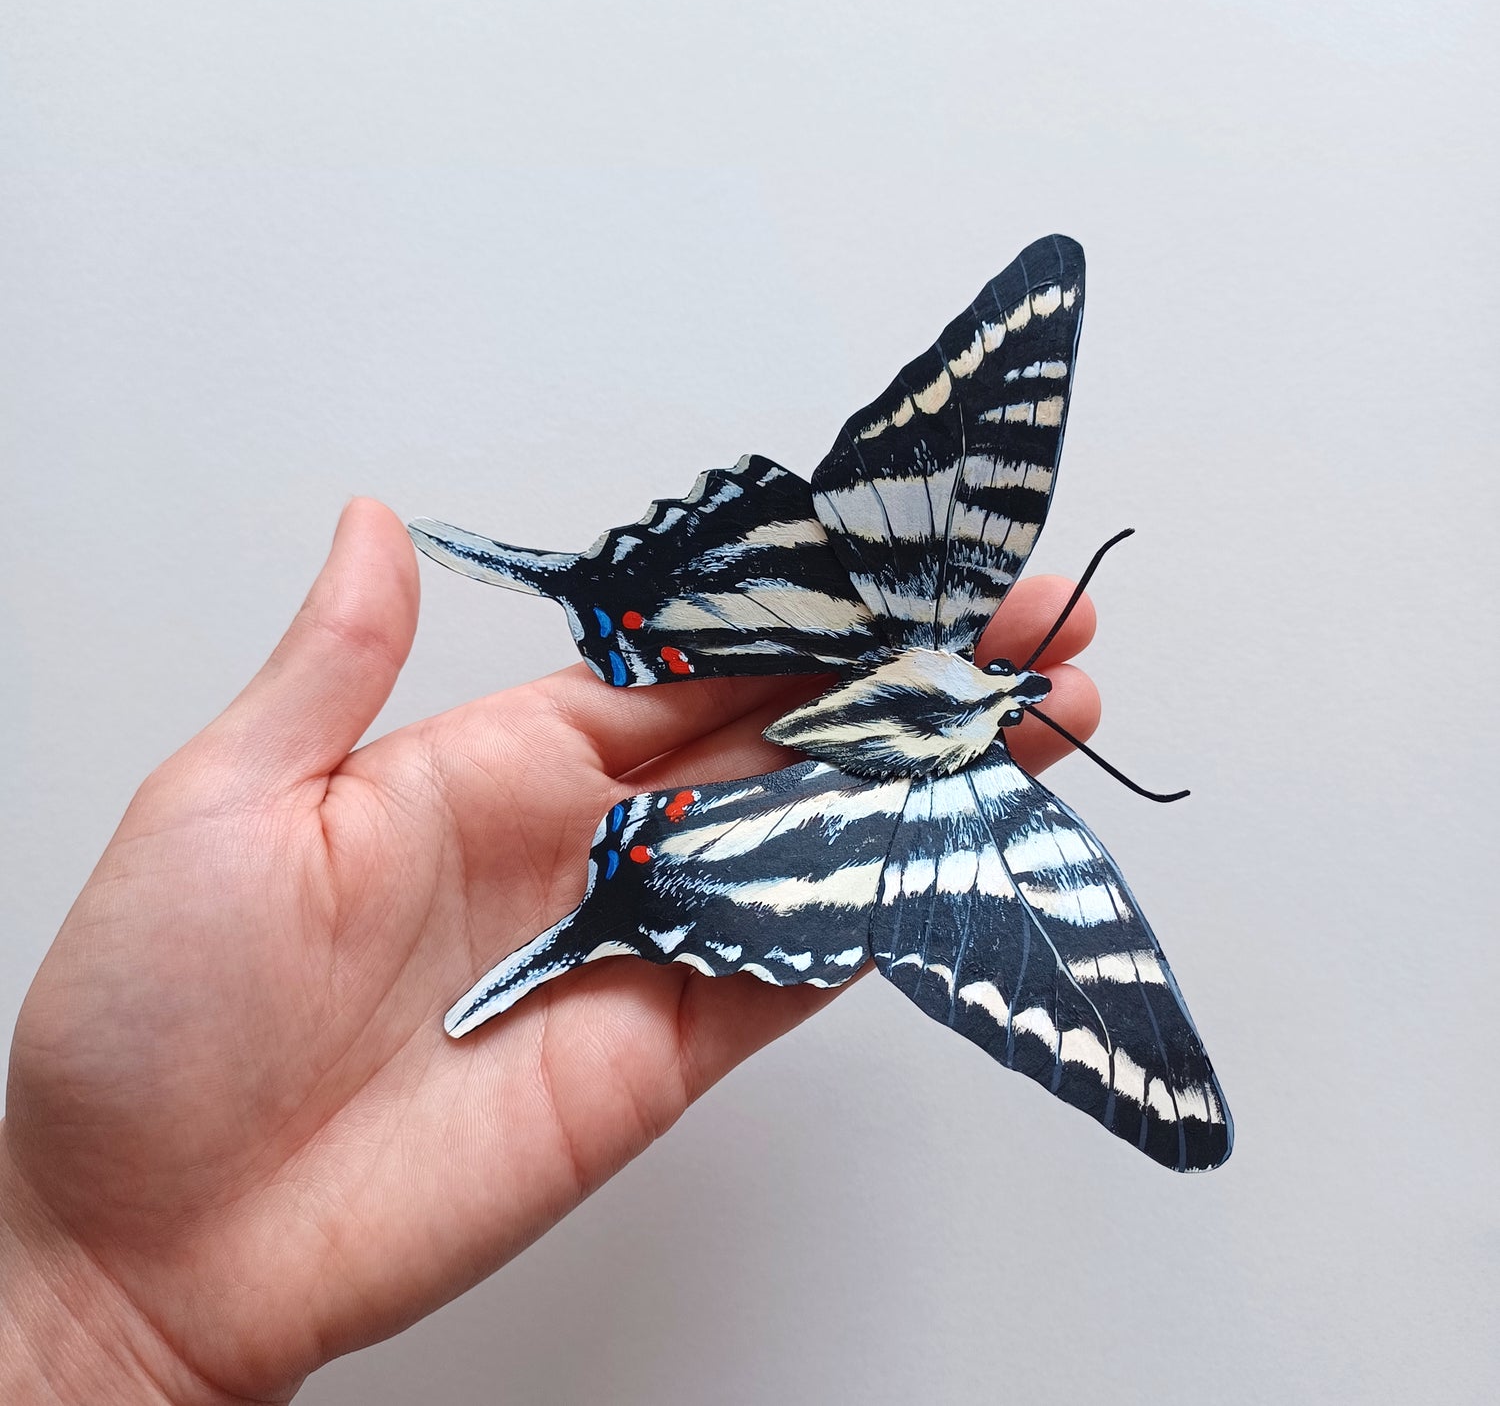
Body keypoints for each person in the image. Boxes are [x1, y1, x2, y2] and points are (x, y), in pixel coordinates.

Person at [0, 499, 1100, 1403]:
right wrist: (83, 1292)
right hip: (809, 722)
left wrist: (93, 1321)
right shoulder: (975, 780)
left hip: (815, 808)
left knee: (665, 893)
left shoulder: (971, 771)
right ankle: (596, 839)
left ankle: (604, 889)